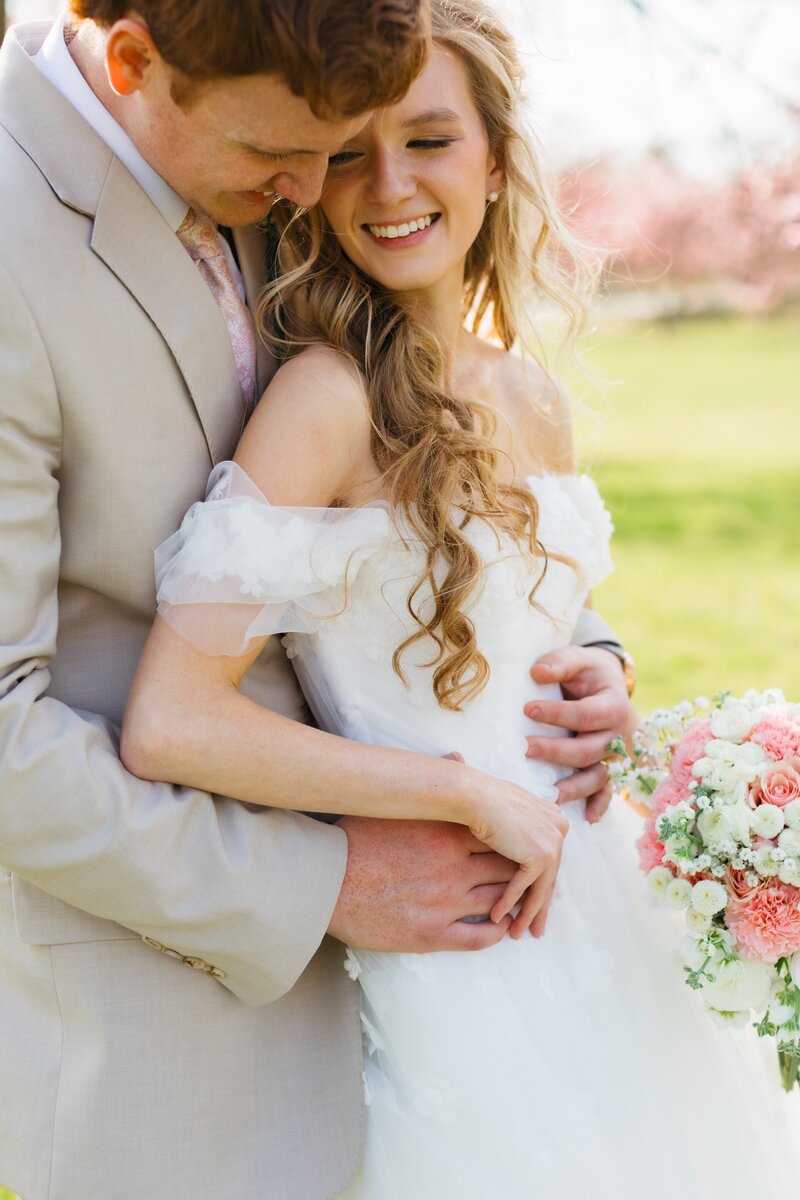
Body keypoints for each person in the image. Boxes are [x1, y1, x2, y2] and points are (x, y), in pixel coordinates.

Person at [121, 1, 800, 1196]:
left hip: (603, 907)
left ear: (494, 157)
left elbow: (533, 626)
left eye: (429, 140)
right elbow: (173, 720)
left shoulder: (529, 396)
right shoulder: (323, 403)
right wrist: (462, 795)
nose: (388, 184)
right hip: (462, 935)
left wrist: (607, 677)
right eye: (350, 150)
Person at [0, 2, 633, 1198]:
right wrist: (337, 868)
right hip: (179, 997)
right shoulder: (20, 247)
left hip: (545, 920)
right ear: (134, 64)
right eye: (313, 153)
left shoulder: (272, 129)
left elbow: (489, 575)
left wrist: (599, 668)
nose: (318, 188)